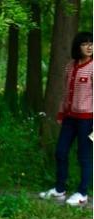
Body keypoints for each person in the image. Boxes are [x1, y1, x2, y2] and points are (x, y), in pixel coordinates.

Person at [39, 31, 93, 207]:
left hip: (88, 120)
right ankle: (59, 190)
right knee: (60, 152)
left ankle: (82, 193)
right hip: (69, 118)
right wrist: (61, 113)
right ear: (78, 46)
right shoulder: (70, 66)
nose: (89, 46)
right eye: (85, 43)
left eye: (92, 43)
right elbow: (65, 92)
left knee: (84, 156)